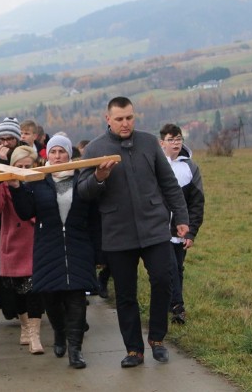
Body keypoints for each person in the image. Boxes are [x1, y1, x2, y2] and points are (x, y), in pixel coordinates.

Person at [77, 96, 190, 367]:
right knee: (126, 293)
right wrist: (99, 179)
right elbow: (82, 192)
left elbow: (169, 183)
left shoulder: (149, 142)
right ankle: (134, 350)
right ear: (108, 119)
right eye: (119, 119)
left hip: (154, 227)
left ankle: (158, 340)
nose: (125, 123)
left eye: (129, 117)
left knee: (164, 280)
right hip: (118, 231)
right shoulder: (95, 149)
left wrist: (182, 218)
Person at [9, 135, 99, 369]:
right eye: (53, 152)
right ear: (46, 155)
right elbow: (25, 211)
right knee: (51, 297)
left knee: (77, 300)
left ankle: (75, 350)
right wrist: (17, 188)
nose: (58, 157)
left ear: (70, 154)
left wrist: (98, 252)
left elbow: (93, 217)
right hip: (48, 246)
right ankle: (59, 332)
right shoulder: (39, 181)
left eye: (62, 152)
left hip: (78, 245)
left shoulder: (82, 179)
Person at [0, 145, 45, 355]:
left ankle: (34, 335)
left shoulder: (38, 181)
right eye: (18, 166)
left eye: (26, 166)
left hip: (34, 240)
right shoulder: (5, 183)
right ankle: (24, 325)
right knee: (18, 291)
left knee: (34, 290)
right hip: (12, 241)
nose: (22, 170)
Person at [159, 123, 205, 325]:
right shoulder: (156, 164)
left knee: (177, 267)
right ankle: (178, 306)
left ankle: (171, 304)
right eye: (171, 140)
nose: (176, 143)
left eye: (178, 139)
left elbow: (197, 202)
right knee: (168, 266)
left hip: (181, 229)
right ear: (162, 143)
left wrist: (191, 232)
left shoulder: (190, 167)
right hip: (159, 229)